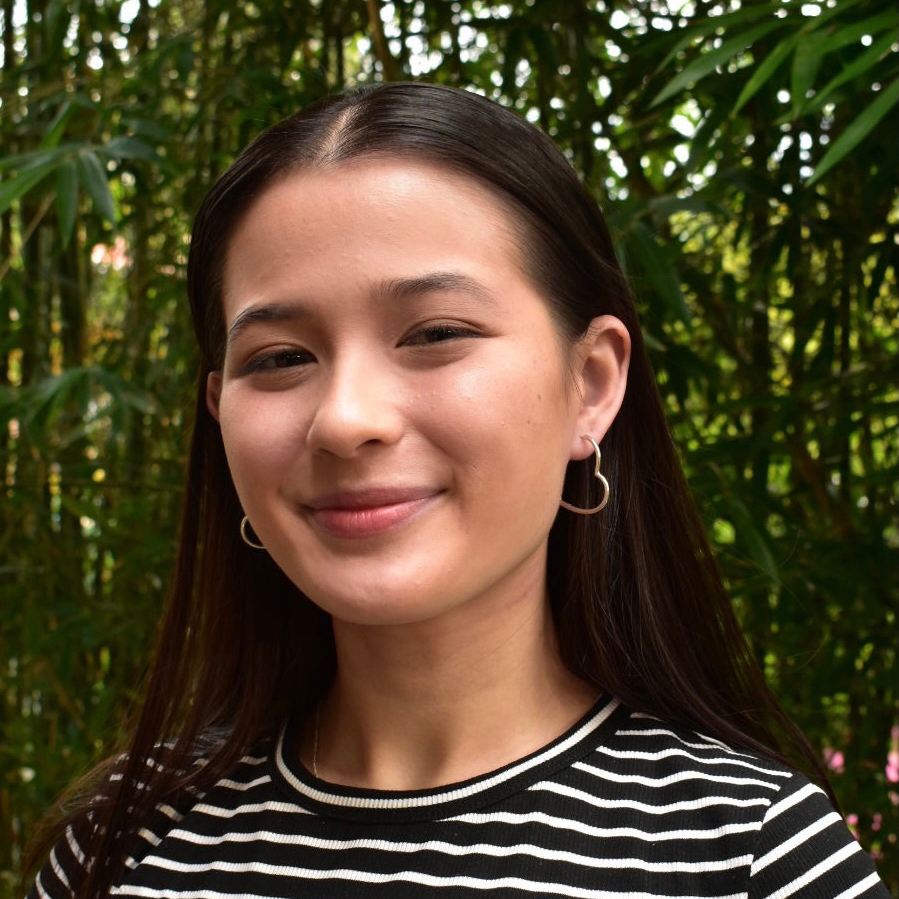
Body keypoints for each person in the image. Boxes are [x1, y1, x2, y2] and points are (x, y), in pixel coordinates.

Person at [26, 83, 889, 899]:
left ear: (591, 383)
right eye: (281, 356)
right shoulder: (121, 846)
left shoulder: (748, 853)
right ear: (219, 413)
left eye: (435, 332)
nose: (345, 419)